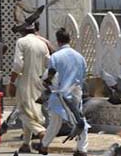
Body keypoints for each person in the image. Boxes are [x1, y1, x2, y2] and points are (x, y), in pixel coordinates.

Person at [38, 28, 88, 156]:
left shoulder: (55, 57)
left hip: (60, 94)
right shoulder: (80, 57)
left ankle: (44, 145)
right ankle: (81, 148)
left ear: (58, 41)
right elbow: (83, 76)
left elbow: (50, 76)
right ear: (69, 40)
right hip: (75, 92)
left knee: (56, 122)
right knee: (79, 120)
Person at [10, 23, 50, 153]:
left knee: (21, 110)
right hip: (39, 82)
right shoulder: (42, 44)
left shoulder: (21, 42)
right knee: (30, 111)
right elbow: (48, 64)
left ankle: (40, 131)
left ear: (22, 31)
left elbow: (18, 63)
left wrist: (12, 81)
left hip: (25, 81)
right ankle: (26, 144)